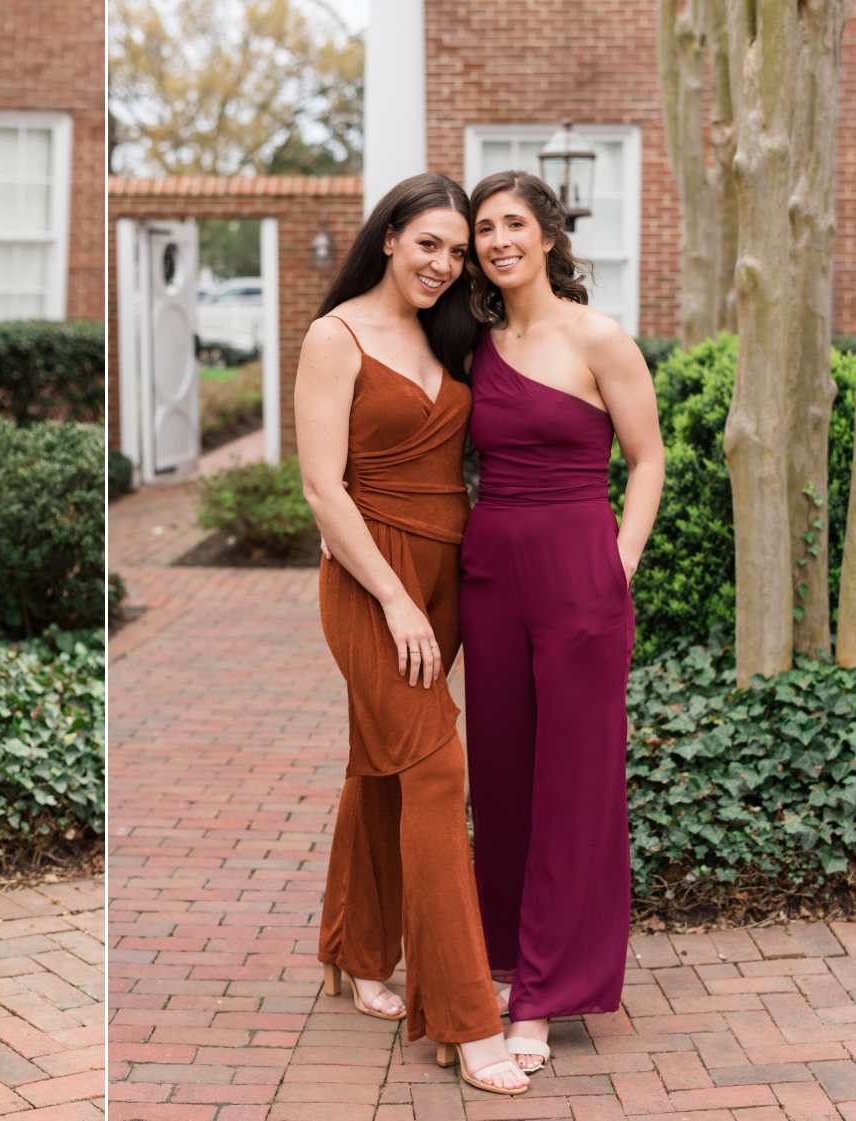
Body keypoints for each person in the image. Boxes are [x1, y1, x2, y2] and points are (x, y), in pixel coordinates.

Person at [295, 172, 528, 1096]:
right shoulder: (334, 335)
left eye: (458, 251)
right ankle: (467, 1018)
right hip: (370, 578)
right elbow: (323, 488)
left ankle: (355, 950)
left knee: (380, 759)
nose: (443, 263)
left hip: (449, 572)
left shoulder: (453, 332)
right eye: (428, 242)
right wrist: (392, 597)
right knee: (435, 769)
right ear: (388, 236)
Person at [460, 171, 663, 1073]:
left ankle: (545, 995)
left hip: (580, 568)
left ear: (547, 235)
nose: (498, 239)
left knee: (573, 777)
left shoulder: (599, 337)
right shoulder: (476, 341)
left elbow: (648, 457)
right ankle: (506, 959)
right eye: (483, 228)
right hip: (492, 569)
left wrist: (618, 560)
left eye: (513, 224)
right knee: (500, 771)